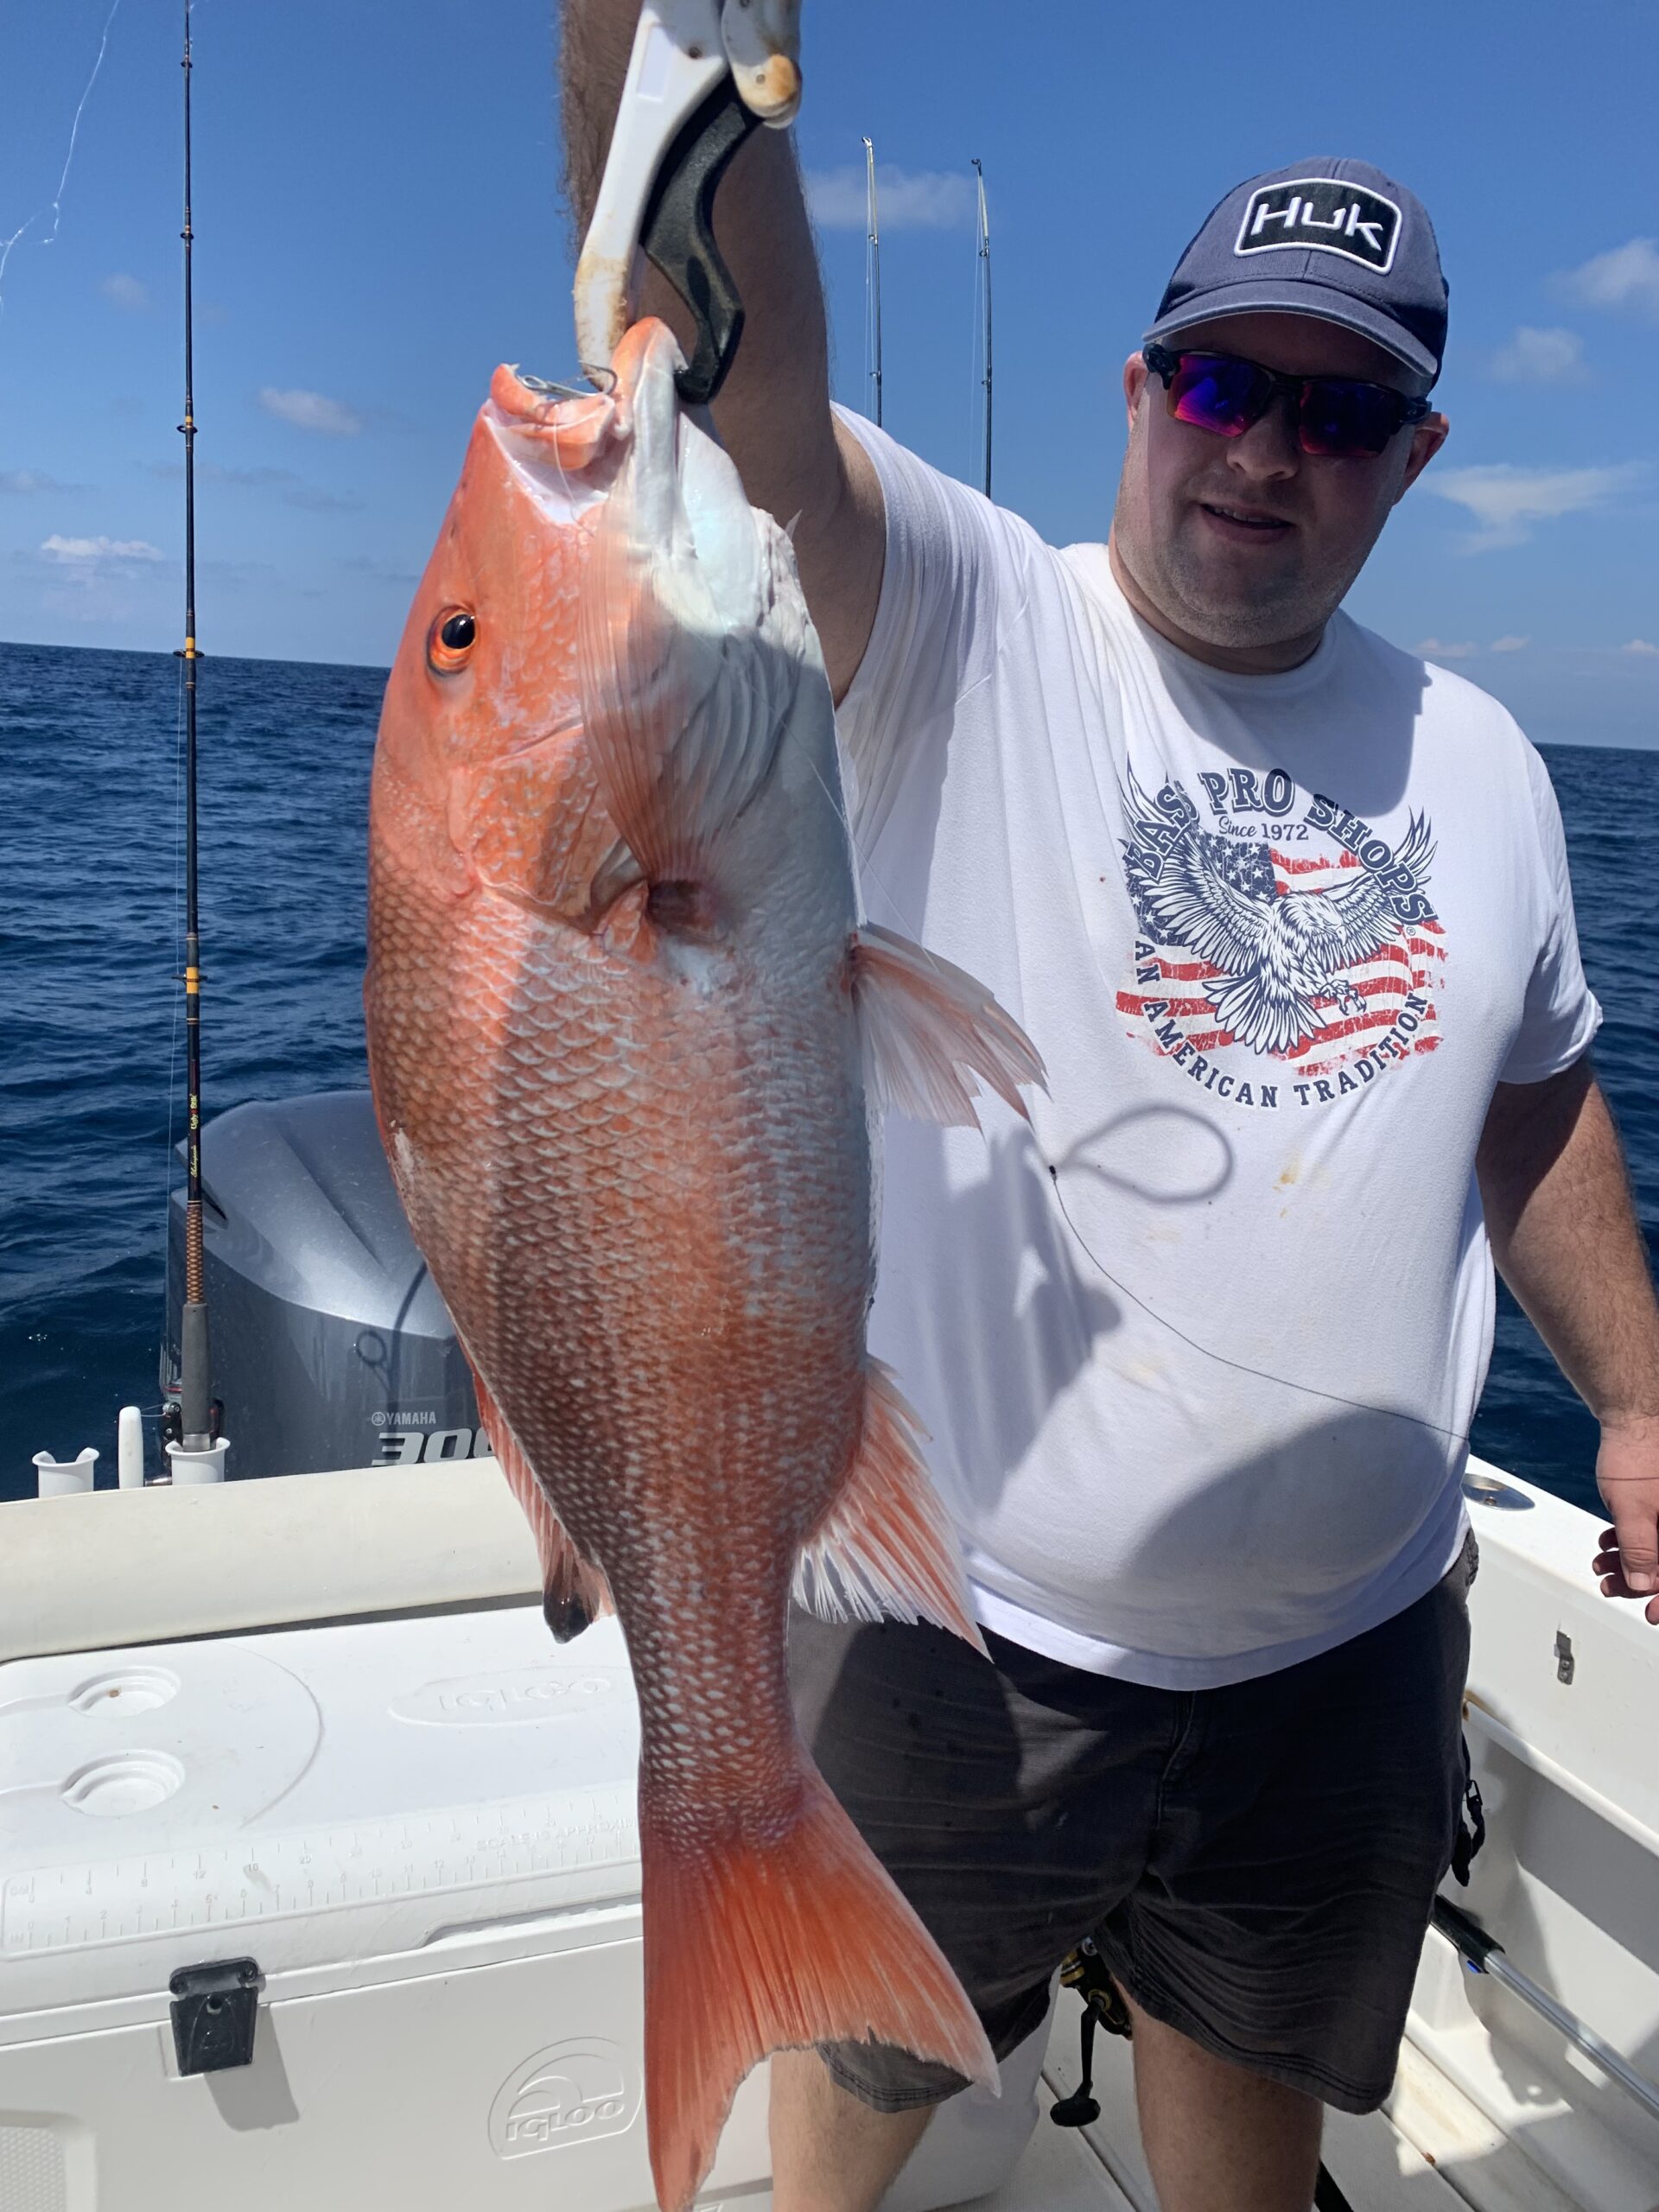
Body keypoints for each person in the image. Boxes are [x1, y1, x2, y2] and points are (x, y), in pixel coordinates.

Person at [562, 18, 1659, 2212]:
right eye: (1223, 385)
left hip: (1352, 1650)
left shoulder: (1494, 764)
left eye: (1336, 411)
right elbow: (733, 391)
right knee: (864, 2075)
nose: (1266, 451)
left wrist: (1635, 1395)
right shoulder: (965, 621)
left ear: (1413, 457)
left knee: (1251, 2100)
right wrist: (651, 31)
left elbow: (1533, 1096)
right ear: (1140, 391)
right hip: (974, 1634)